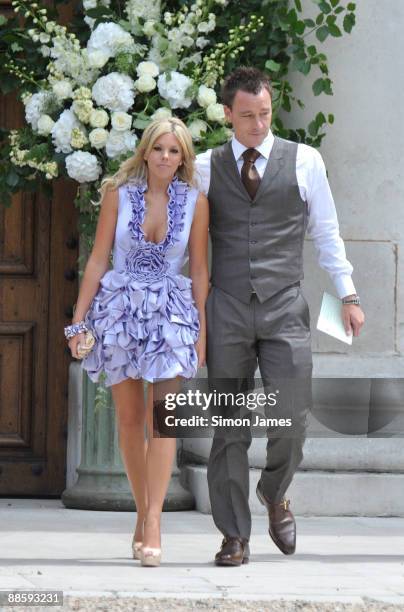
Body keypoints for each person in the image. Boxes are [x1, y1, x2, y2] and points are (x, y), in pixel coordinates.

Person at [196, 66, 365, 566]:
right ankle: (233, 536)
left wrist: (348, 295)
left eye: (265, 114)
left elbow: (327, 234)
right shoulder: (205, 166)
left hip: (285, 306)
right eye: (246, 116)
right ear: (227, 114)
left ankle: (274, 492)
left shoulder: (305, 161)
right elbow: (189, 242)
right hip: (225, 306)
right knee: (227, 426)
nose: (258, 125)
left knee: (291, 419)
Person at [64, 117, 209, 567]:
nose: (167, 157)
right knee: (129, 419)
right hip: (120, 312)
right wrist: (78, 320)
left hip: (171, 314)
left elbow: (200, 271)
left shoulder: (197, 202)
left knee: (162, 418)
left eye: (175, 151)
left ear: (183, 157)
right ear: (145, 151)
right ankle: (144, 510)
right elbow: (96, 259)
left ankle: (153, 522)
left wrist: (201, 331)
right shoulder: (117, 194)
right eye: (159, 149)